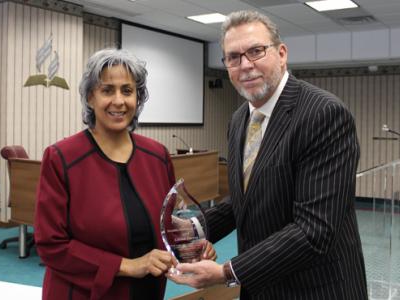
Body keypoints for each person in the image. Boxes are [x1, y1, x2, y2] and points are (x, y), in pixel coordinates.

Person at [168, 10, 368, 299]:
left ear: (282, 53)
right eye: (233, 57)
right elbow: (246, 201)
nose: (245, 65)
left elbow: (314, 230)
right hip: (261, 289)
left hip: (316, 290)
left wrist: (228, 272)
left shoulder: (323, 114)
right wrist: (193, 227)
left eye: (256, 51)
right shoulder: (239, 120)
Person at [34, 48, 215, 300]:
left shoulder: (157, 156)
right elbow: (51, 246)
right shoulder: (62, 158)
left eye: (127, 91)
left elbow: (165, 224)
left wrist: (190, 247)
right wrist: (128, 265)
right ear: (89, 97)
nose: (118, 101)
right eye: (107, 90)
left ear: (137, 99)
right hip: (83, 294)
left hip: (147, 293)